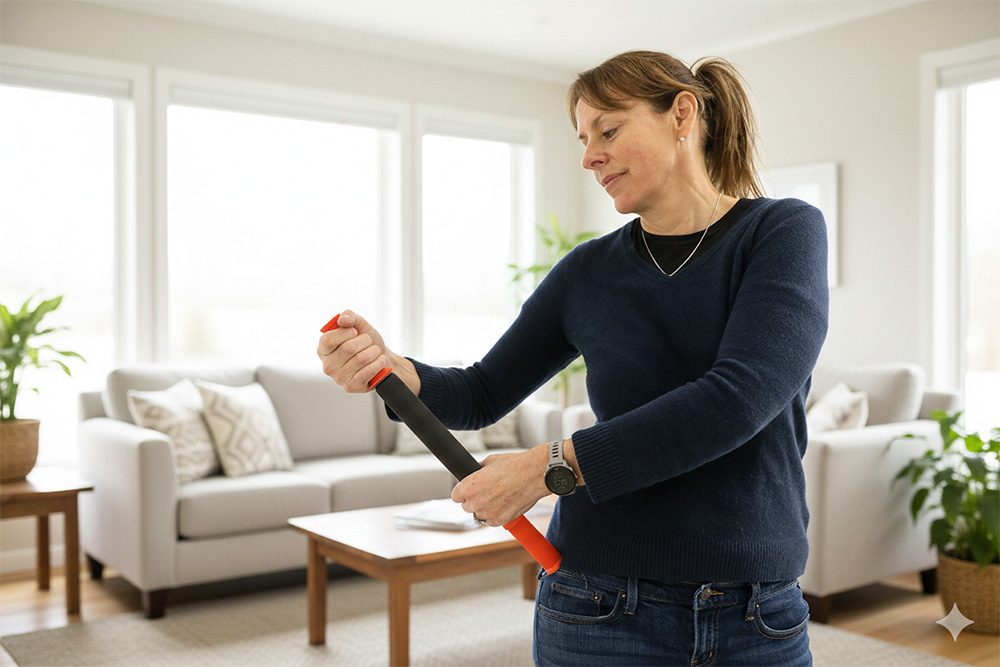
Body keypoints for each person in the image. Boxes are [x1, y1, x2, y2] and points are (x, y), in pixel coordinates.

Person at [319, 50, 828, 666]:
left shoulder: (780, 233)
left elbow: (738, 397)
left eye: (608, 131)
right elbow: (481, 393)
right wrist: (400, 374)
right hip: (598, 603)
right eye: (584, 139)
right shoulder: (588, 271)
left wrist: (548, 466)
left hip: (758, 614)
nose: (590, 156)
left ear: (682, 114)